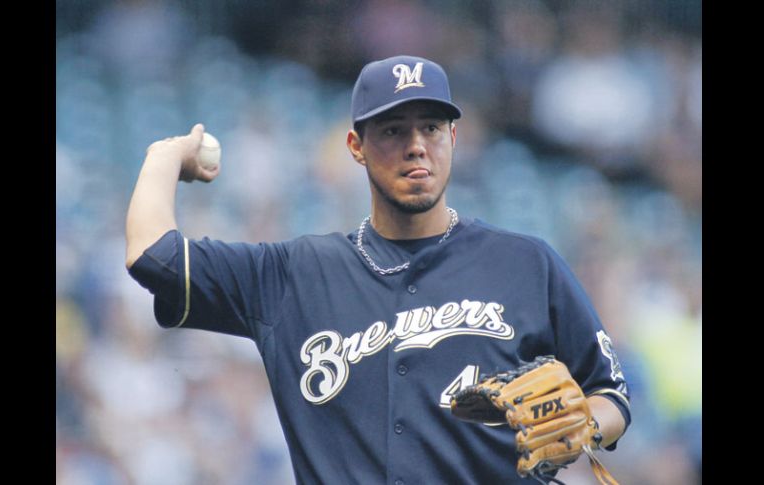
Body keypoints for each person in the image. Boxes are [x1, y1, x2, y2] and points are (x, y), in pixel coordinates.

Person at [126, 55, 630, 484]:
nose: (416, 145)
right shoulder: (292, 275)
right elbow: (153, 258)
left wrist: (584, 427)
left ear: (454, 137)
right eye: (393, 130)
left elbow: (611, 393)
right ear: (355, 147)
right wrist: (164, 156)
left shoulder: (526, 263)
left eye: (431, 128)